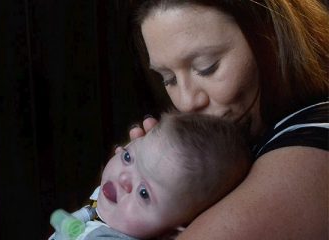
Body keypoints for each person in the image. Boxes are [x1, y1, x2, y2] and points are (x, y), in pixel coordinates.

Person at [125, 0, 329, 239]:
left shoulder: (314, 147)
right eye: (168, 79)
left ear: (271, 36)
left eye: (207, 68)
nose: (186, 102)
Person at [50, 112, 252, 240]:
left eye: (144, 193)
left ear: (171, 233)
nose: (123, 179)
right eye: (128, 157)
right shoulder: (108, 210)